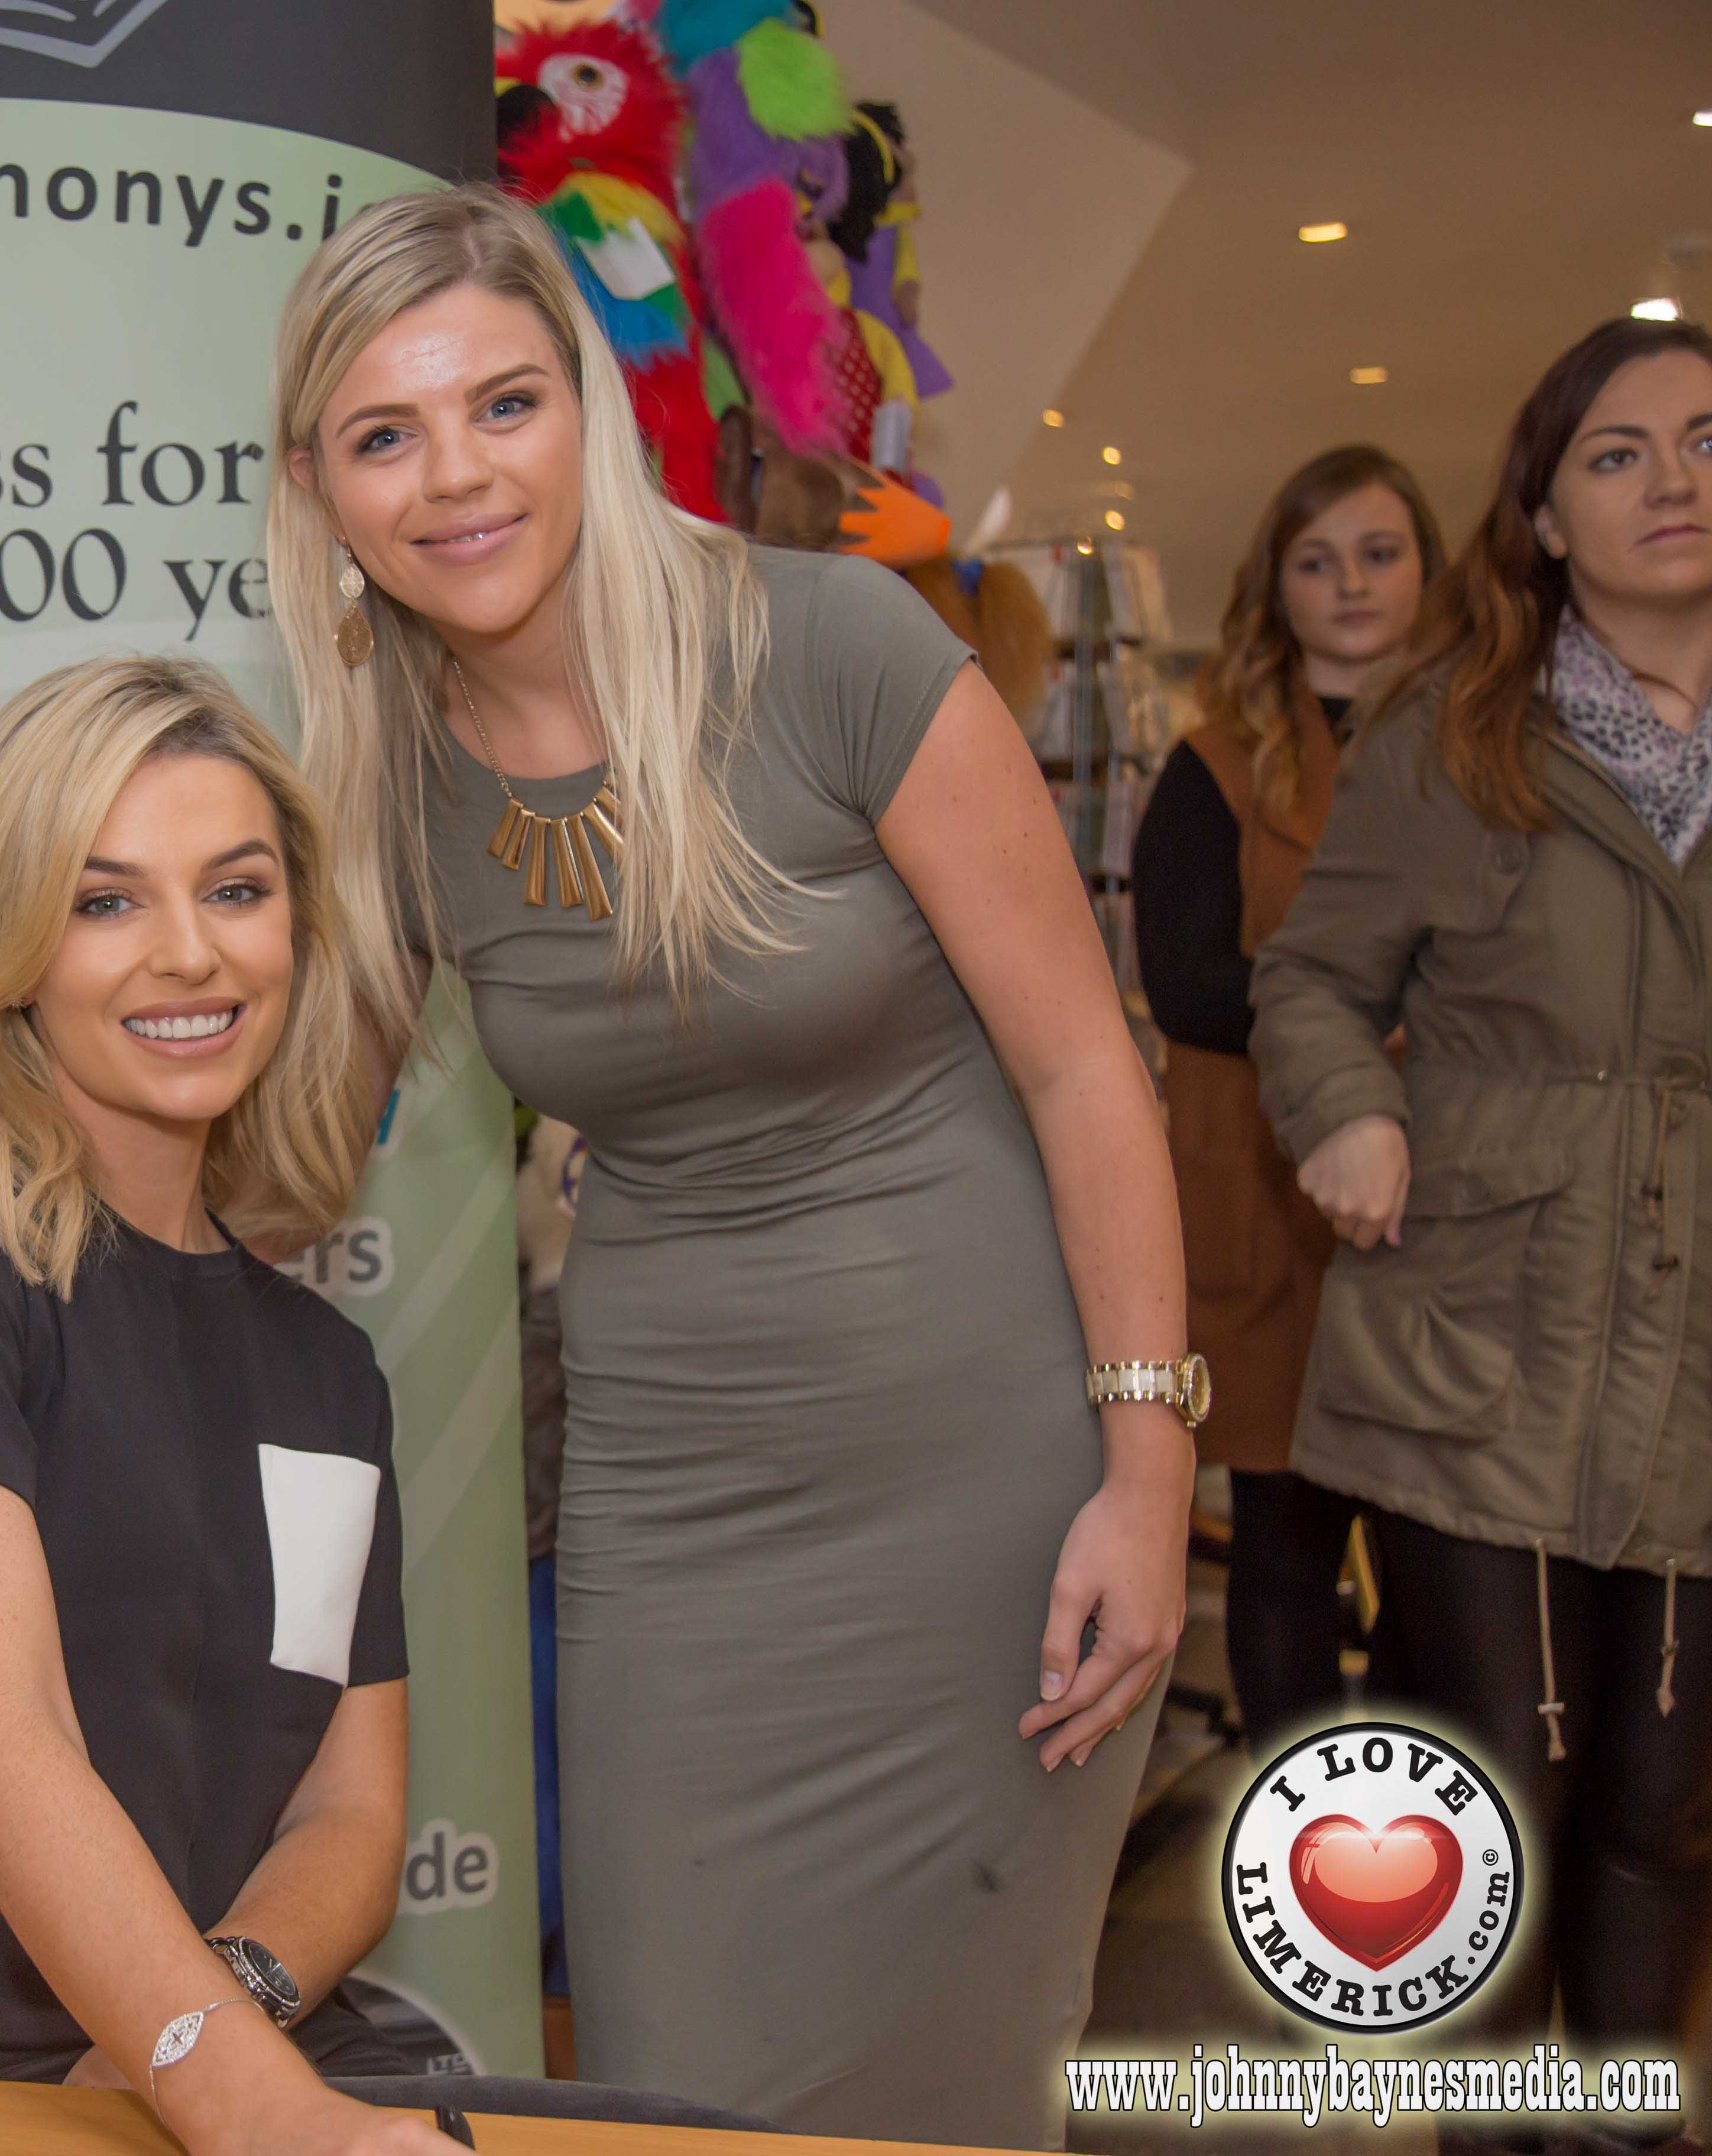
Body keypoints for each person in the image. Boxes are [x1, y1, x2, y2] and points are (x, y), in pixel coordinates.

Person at [267, 184, 1194, 2147]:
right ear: (319, 490)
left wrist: (1148, 1466)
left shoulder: (830, 643)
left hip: (988, 1481)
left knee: (962, 2079)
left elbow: (1084, 1066)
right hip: (673, 1510)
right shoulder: (391, 777)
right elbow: (277, 1153)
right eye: (384, 434)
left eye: (502, 404)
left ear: (588, 409)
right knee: (675, 2077)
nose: (457, 476)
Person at [0, 656, 461, 2156]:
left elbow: (351, 1819)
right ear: (15, 944)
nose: (190, 953)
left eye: (236, 890)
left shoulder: (326, 1374)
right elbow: (5, 1740)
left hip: (202, 2069)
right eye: (107, 902)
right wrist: (251, 2108)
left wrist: (205, 2025)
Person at [1253, 317, 1712, 2152]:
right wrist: (1348, 1109)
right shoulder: (1454, 742)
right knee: (1506, 1812)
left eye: (1708, 441)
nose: (1673, 480)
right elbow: (1309, 982)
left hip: (1693, 1367)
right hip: (1480, 1354)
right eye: (1618, 452)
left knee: (1662, 1816)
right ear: (1540, 515)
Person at [1131, 446, 1444, 1751]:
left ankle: (1434, 1822)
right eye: (1318, 562)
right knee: (1285, 1541)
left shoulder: (1489, 754)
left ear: (1429, 571)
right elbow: (1185, 984)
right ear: (1277, 588)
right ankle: (1306, 1822)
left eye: (1378, 553)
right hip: (1267, 1198)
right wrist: (1384, 1011)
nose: (1352, 584)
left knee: (1441, 1556)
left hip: (1446, 1209)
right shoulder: (1217, 767)